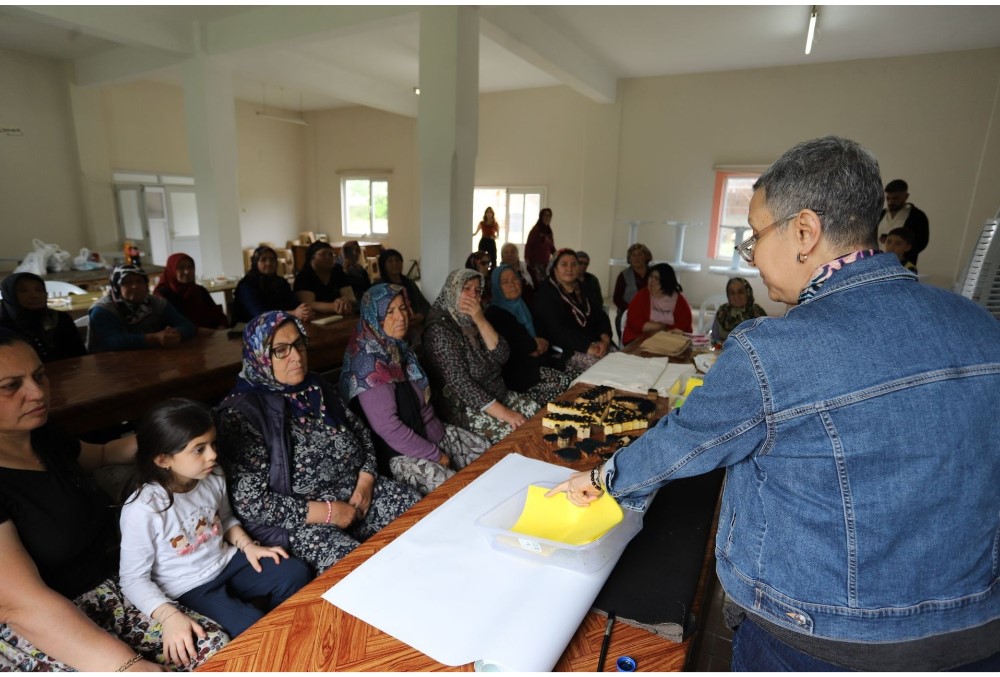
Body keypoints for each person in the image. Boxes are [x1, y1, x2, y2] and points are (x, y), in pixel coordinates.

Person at [547, 136, 1000, 671]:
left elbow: (686, 439)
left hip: (818, 638)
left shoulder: (772, 348)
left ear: (805, 232)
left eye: (755, 237)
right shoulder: (981, 326)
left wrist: (601, 480)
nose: (753, 257)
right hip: (971, 633)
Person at [0, 330, 227, 671]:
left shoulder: (43, 436)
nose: (37, 393)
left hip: (108, 588)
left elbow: (104, 452)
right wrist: (130, 667)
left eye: (39, 375)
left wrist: (174, 437)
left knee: (212, 648)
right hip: (44, 622)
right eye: (10, 385)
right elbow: (22, 605)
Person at [215, 311, 420, 574]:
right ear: (261, 356)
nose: (296, 356)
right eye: (281, 350)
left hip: (358, 496)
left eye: (299, 344)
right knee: (357, 569)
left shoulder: (315, 387)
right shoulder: (241, 414)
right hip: (304, 521)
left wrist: (366, 481)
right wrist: (329, 513)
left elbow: (363, 435)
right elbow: (251, 502)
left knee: (418, 513)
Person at [119, 399, 311, 651]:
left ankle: (289, 633)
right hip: (189, 587)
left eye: (212, 444)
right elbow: (132, 579)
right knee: (252, 628)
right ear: (163, 460)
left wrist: (248, 546)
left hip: (226, 562)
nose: (213, 455)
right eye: (199, 449)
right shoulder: (142, 509)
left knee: (295, 572)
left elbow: (225, 518)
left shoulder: (212, 475)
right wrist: (168, 616)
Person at [340, 285, 489, 495]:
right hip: (399, 454)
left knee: (488, 454)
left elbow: (423, 407)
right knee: (458, 490)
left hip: (430, 434)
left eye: (403, 308)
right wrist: (436, 455)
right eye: (389, 312)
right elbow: (389, 428)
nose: (401, 317)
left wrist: (441, 437)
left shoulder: (398, 349)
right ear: (374, 316)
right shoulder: (368, 363)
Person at [422, 269, 539, 442]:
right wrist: (505, 413)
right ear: (452, 290)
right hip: (464, 408)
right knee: (516, 433)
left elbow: (502, 355)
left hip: (497, 394)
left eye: (477, 291)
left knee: (535, 412)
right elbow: (461, 384)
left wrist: (481, 320)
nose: (473, 295)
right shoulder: (439, 330)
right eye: (466, 288)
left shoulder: (472, 318)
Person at [485, 264, 572, 406]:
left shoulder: (525, 305)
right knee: (563, 383)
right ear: (497, 287)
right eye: (505, 282)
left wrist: (537, 344)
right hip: (517, 374)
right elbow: (516, 348)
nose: (512, 285)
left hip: (539, 362)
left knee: (574, 376)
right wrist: (532, 345)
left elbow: (545, 335)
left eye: (515, 279)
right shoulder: (494, 313)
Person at [532, 248, 613, 372]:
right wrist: (587, 347)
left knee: (621, 360)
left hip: (595, 343)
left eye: (574, 264)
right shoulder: (546, 292)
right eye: (564, 264)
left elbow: (600, 315)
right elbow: (555, 330)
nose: (569, 269)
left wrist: (605, 339)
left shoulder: (584, 288)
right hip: (565, 349)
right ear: (555, 268)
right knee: (604, 369)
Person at [87, 264, 196, 353]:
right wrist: (154, 338)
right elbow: (110, 341)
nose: (135, 286)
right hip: (109, 367)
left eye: (139, 281)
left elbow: (187, 325)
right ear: (116, 287)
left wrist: (176, 334)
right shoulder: (103, 310)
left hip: (150, 361)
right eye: (128, 283)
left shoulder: (156, 303)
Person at [0, 272, 86, 362]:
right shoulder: (3, 327)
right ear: (9, 295)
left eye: (39, 290)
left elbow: (80, 356)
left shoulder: (59, 319)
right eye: (23, 291)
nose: (34, 295)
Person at [232, 246, 311, 325]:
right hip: (251, 330)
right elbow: (260, 315)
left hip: (282, 325)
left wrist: (305, 311)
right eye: (263, 260)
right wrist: (294, 313)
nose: (268, 263)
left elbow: (294, 304)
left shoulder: (281, 282)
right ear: (256, 262)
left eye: (272, 259)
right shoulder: (247, 285)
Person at [621, 262, 692, 345]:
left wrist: (663, 331)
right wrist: (661, 327)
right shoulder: (642, 295)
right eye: (650, 277)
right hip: (639, 338)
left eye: (656, 278)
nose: (652, 281)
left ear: (666, 282)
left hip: (669, 341)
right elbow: (634, 321)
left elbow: (684, 327)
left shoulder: (679, 300)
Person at [152, 253, 228, 329]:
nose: (187, 271)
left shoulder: (199, 291)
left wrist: (221, 327)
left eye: (190, 267)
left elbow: (219, 316)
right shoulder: (161, 296)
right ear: (171, 271)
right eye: (181, 268)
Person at [877, 179, 929, 265]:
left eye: (895, 198)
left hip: (902, 264)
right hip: (878, 261)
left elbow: (921, 242)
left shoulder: (917, 217)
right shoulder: (881, 214)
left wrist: (898, 245)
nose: (891, 202)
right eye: (888, 198)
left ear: (906, 196)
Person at [293, 241, 353, 316]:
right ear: (312, 257)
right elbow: (308, 304)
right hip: (314, 317)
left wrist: (344, 300)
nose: (328, 257)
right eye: (323, 254)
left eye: (331, 255)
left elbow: (350, 298)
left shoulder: (338, 272)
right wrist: (336, 307)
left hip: (339, 316)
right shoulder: (304, 276)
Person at [709, 277, 768, 347]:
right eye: (732, 293)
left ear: (748, 293)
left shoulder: (758, 313)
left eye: (740, 292)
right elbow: (714, 339)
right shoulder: (722, 312)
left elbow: (765, 340)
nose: (736, 296)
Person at [613, 243, 652, 341]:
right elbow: (617, 298)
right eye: (633, 255)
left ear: (646, 256)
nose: (636, 258)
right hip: (628, 311)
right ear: (629, 259)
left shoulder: (654, 273)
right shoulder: (623, 275)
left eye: (640, 254)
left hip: (653, 311)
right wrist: (631, 310)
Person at [524, 208, 555, 287]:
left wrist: (558, 255)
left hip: (546, 265)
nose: (547, 218)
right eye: (545, 215)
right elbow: (528, 246)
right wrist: (527, 261)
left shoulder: (549, 232)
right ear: (541, 217)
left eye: (549, 216)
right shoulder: (535, 231)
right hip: (535, 264)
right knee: (539, 285)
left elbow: (551, 247)